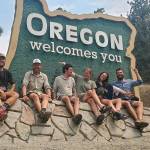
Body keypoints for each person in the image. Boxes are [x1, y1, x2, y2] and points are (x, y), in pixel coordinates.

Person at [22, 59, 51, 123]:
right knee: (35, 96)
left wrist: (49, 96)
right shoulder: (28, 74)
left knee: (46, 96)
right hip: (31, 92)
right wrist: (24, 95)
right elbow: (24, 85)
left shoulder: (44, 76)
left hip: (40, 92)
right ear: (33, 66)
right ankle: (42, 114)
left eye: (38, 65)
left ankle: (43, 112)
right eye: (35, 65)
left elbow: (47, 87)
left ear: (41, 66)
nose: (37, 66)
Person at [0, 53, 19, 121]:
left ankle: (2, 109)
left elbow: (13, 83)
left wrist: (11, 91)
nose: (1, 60)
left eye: (3, 59)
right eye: (0, 58)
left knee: (16, 94)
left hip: (5, 93)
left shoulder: (7, 72)